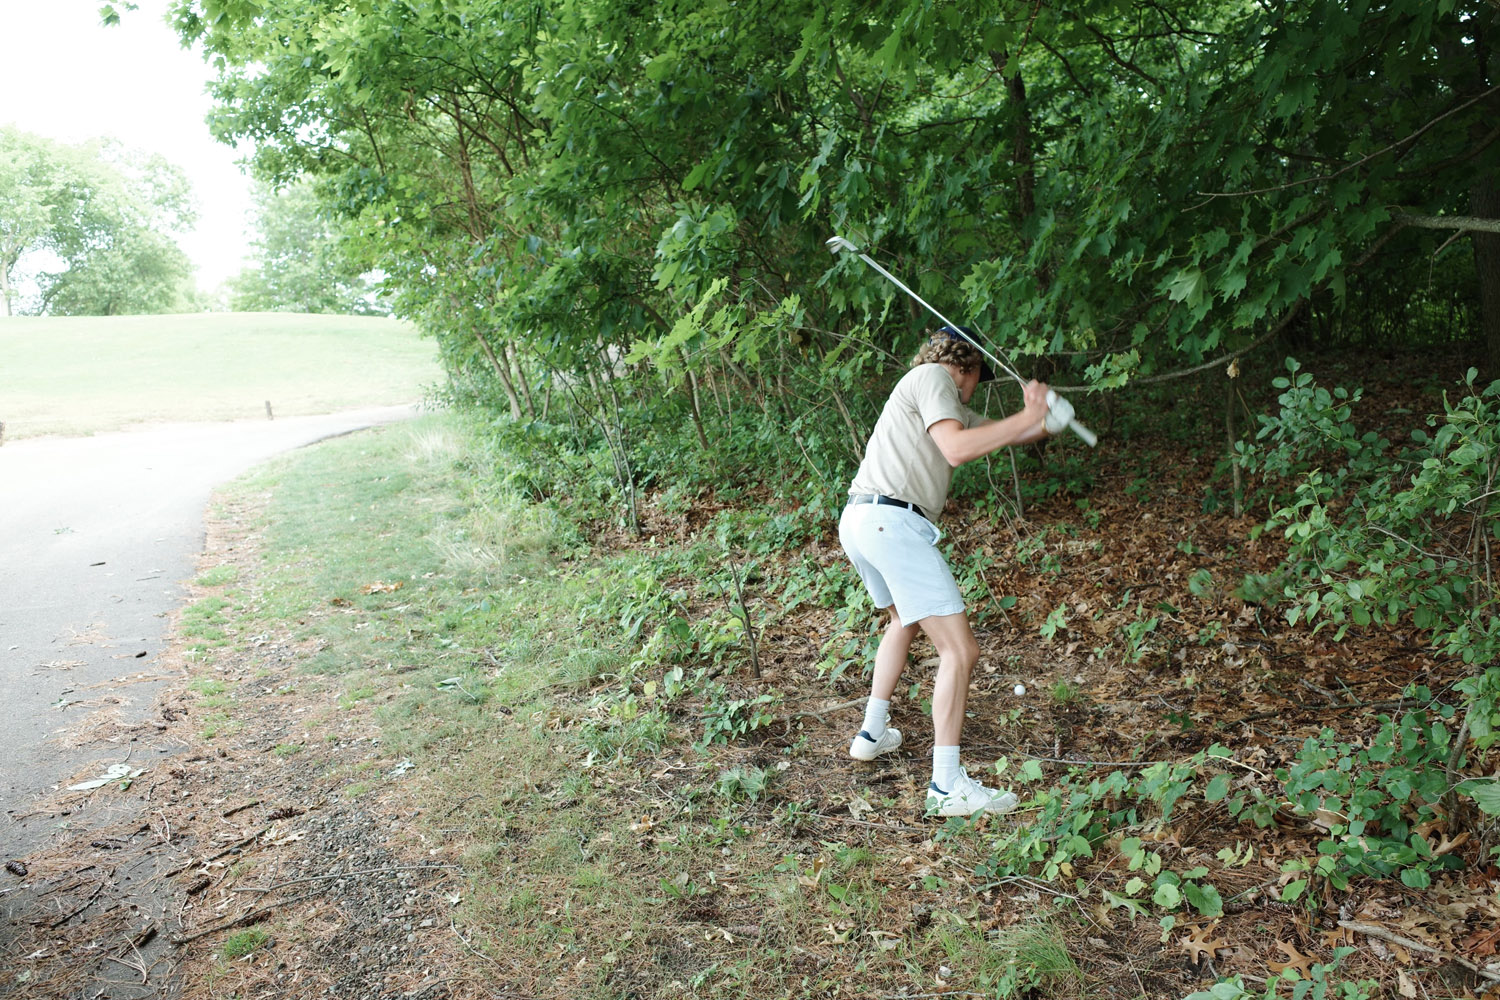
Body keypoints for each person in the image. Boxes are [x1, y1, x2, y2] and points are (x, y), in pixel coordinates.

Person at [839, 327, 1054, 817]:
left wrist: (1044, 418)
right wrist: (1029, 415)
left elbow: (1000, 433)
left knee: (904, 621)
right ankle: (946, 786)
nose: (976, 387)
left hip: (861, 519)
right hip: (892, 522)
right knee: (959, 649)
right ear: (968, 368)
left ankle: (872, 733)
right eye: (980, 377)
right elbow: (957, 448)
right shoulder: (934, 377)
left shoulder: (935, 397)